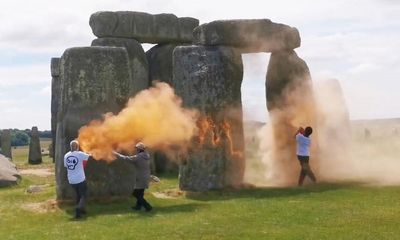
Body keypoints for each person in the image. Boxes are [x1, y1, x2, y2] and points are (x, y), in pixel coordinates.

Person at [114, 142, 152, 212]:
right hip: (145, 176)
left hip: (140, 177)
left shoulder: (139, 157)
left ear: (139, 149)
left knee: (136, 193)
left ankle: (148, 206)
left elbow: (126, 158)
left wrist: (116, 154)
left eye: (136, 148)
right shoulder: (146, 155)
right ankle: (138, 206)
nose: (136, 150)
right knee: (140, 193)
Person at [64, 140, 91, 219]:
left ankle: (82, 210)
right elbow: (89, 156)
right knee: (84, 195)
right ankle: (78, 210)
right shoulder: (80, 154)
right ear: (77, 147)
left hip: (71, 180)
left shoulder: (66, 155)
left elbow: (66, 166)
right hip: (80, 179)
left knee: (78, 195)